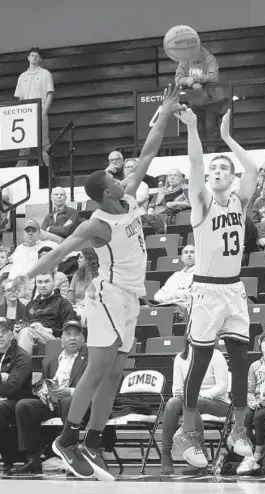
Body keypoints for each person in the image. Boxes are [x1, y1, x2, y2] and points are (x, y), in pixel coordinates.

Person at [13, 85, 182, 481]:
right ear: (104, 195)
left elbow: (149, 151)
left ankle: (91, 442)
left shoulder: (129, 198)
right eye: (113, 181)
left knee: (115, 372)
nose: (120, 179)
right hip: (106, 296)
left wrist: (167, 108)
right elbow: (58, 254)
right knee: (99, 365)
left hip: (131, 300)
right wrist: (24, 274)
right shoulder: (97, 224)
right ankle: (66, 440)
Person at [173, 105, 258, 468]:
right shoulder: (202, 202)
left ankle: (240, 427)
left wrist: (226, 138)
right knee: (202, 359)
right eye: (214, 169)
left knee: (240, 359)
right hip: (206, 291)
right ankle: (188, 430)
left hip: (234, 289)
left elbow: (253, 168)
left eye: (224, 168)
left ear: (231, 176)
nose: (217, 171)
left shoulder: (240, 200)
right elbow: (195, 166)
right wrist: (193, 128)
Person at [14, 320, 87, 474]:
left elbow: (91, 386)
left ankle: (70, 454)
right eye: (68, 335)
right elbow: (41, 383)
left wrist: (69, 391)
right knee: (23, 406)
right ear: (61, 340)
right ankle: (33, 458)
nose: (72, 338)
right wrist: (41, 391)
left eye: (76, 335)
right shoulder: (53, 361)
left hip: (76, 403)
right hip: (52, 403)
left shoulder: (89, 360)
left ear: (83, 339)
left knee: (68, 400)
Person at [162, 338, 230, 474]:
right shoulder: (180, 358)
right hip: (189, 402)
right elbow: (176, 389)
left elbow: (222, 388)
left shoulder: (216, 355)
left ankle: (201, 456)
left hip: (219, 403)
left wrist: (197, 395)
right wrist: (189, 396)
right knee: (172, 403)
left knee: (189, 402)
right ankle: (166, 455)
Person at [237, 329, 265, 475]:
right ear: (260, 346)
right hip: (258, 402)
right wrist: (252, 401)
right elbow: (250, 390)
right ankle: (248, 455)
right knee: (246, 415)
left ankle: (258, 453)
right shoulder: (254, 366)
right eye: (264, 340)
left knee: (258, 417)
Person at [175, 43, 224, 146]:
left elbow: (213, 76)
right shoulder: (184, 61)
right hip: (195, 100)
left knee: (210, 126)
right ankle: (201, 152)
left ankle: (212, 152)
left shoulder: (210, 59)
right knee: (198, 128)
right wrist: (192, 83)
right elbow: (178, 79)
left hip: (213, 99)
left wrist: (194, 79)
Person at [0, 318, 32, 472]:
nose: (0, 335)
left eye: (3, 332)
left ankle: (8, 459)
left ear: (12, 334)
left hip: (17, 403)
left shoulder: (22, 356)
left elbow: (12, 388)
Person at [17, 272, 75, 354]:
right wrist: (19, 328)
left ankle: (22, 365)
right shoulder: (31, 305)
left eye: (47, 281)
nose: (43, 285)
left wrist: (46, 330)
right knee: (8, 334)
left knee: (27, 332)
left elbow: (69, 330)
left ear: (54, 283)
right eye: (39, 282)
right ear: (36, 284)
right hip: (30, 334)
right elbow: (24, 323)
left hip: (54, 338)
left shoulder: (62, 303)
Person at [14, 47, 54, 167]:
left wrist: (44, 111)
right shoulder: (22, 76)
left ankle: (47, 172)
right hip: (26, 113)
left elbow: (50, 93)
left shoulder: (45, 73)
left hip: (40, 110)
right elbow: (20, 97)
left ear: (40, 59)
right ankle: (20, 171)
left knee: (43, 144)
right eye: (32, 55)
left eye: (36, 56)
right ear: (28, 57)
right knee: (24, 145)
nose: (34, 58)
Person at [154, 244, 195, 320]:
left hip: (186, 309)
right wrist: (176, 295)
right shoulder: (176, 275)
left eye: (192, 252)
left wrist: (173, 295)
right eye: (186, 252)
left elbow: (193, 296)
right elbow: (158, 296)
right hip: (168, 306)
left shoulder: (200, 274)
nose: (189, 254)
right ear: (182, 258)